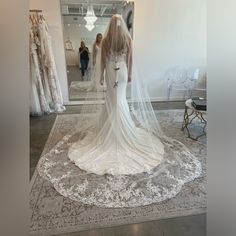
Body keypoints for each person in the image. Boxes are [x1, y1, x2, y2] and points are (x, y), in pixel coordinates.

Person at [38, 14, 201, 208]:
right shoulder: (127, 39)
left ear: (110, 26)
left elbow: (103, 59)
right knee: (120, 101)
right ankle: (120, 132)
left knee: (111, 100)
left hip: (110, 71)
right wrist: (130, 73)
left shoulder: (106, 40)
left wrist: (100, 77)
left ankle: (111, 132)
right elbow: (130, 58)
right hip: (121, 71)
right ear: (122, 25)